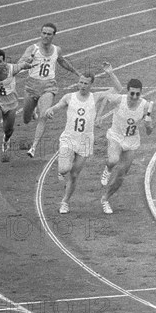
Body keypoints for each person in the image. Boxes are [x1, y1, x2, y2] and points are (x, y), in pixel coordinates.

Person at [44, 62, 122, 214]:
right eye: (80, 82)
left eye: (86, 83)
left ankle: (65, 202)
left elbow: (118, 89)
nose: (82, 85)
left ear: (91, 84)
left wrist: (111, 73)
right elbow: (57, 106)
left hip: (85, 141)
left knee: (74, 175)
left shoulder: (95, 97)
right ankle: (61, 170)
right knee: (64, 169)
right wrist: (50, 110)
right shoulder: (69, 97)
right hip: (68, 138)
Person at [18, 23, 81, 158]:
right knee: (26, 119)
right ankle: (33, 111)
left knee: (44, 115)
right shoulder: (33, 49)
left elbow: (62, 61)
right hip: (31, 86)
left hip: (49, 86)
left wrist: (76, 72)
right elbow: (19, 63)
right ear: (40, 34)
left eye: (49, 34)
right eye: (44, 33)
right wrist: (26, 62)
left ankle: (33, 147)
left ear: (53, 35)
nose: (46, 36)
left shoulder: (57, 50)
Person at [98, 78, 154, 214]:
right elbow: (105, 98)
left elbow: (149, 131)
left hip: (131, 141)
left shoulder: (145, 106)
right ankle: (107, 169)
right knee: (113, 160)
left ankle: (105, 199)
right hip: (116, 136)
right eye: (132, 93)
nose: (134, 97)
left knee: (121, 175)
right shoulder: (119, 100)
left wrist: (148, 124)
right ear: (127, 91)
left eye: (137, 94)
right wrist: (99, 116)